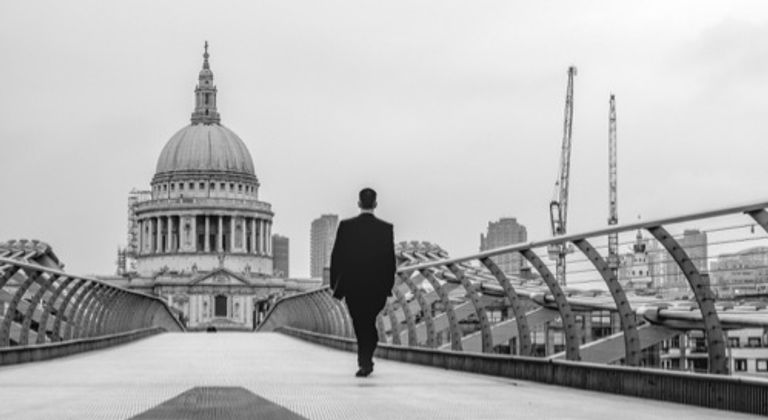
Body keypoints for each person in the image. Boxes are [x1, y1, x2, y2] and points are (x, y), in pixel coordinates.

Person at [330, 188, 396, 377]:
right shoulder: (386, 228)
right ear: (375, 204)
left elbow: (337, 258)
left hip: (353, 287)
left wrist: (335, 284)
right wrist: (388, 287)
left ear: (359, 204)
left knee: (360, 323)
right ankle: (366, 358)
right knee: (368, 321)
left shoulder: (346, 226)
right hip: (377, 288)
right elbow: (390, 262)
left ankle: (365, 361)